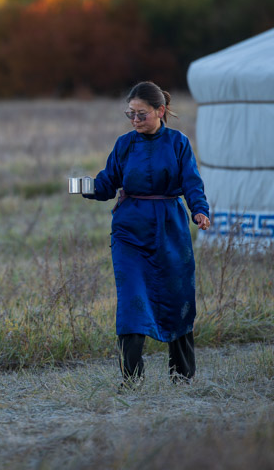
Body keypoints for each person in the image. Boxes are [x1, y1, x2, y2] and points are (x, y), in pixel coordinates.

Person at [82, 81, 210, 388]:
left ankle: (181, 376)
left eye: (141, 114)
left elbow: (192, 182)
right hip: (130, 232)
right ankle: (132, 379)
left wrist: (199, 209)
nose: (135, 120)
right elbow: (107, 182)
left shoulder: (178, 143)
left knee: (177, 297)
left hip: (170, 229)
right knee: (131, 299)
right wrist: (83, 187)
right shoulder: (125, 144)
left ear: (160, 111)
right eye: (130, 114)